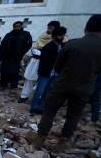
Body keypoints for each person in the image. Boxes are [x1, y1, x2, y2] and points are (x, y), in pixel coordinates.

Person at [33, 15, 101, 149]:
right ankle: (63, 142)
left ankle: (40, 139)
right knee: (73, 116)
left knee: (49, 111)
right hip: (85, 87)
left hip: (63, 84)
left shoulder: (72, 43)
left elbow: (57, 67)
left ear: (86, 28)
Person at [20, 21, 67, 103]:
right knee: (29, 78)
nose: (48, 30)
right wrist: (27, 54)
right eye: (48, 27)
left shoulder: (62, 40)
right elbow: (35, 46)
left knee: (43, 82)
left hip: (49, 64)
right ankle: (24, 96)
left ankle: (38, 98)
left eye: (51, 28)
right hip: (36, 61)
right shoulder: (43, 36)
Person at [30, 26, 67, 114]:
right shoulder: (48, 47)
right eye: (59, 36)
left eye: (62, 36)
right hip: (46, 73)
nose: (61, 38)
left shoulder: (62, 46)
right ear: (54, 36)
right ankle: (34, 107)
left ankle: (41, 107)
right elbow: (45, 61)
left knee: (48, 92)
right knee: (40, 91)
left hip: (56, 73)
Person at [0, 21, 32, 90]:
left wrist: (23, 53)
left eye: (18, 26)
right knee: (4, 72)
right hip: (6, 57)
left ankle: (13, 86)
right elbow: (2, 45)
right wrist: (0, 57)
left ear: (21, 26)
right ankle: (3, 85)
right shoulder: (9, 35)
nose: (16, 28)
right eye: (15, 27)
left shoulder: (25, 34)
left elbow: (29, 44)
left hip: (16, 57)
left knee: (14, 72)